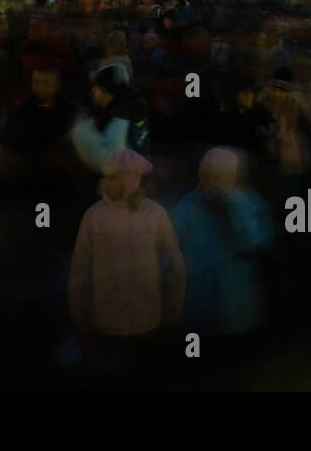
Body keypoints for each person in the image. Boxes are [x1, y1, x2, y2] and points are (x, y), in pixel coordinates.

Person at [68, 149, 186, 378]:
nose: (108, 181)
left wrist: (173, 309)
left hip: (148, 319)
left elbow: (174, 264)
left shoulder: (155, 214)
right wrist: (79, 315)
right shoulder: (93, 216)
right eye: (108, 176)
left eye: (116, 176)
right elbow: (79, 269)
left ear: (132, 178)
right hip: (106, 320)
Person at [172, 147, 274, 340]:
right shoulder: (188, 206)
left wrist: (232, 208)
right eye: (206, 176)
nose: (209, 183)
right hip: (200, 298)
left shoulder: (247, 204)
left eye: (217, 177)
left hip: (235, 297)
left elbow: (256, 243)